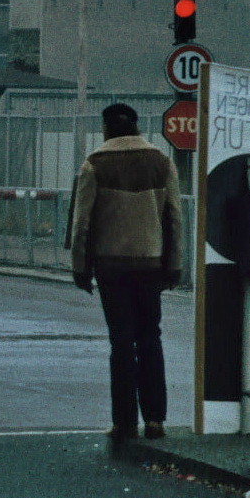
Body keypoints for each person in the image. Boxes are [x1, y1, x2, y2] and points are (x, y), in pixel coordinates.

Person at [70, 103, 184, 442]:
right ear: (136, 127)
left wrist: (80, 269)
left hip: (111, 267)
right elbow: (176, 217)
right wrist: (174, 266)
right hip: (150, 264)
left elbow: (81, 224)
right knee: (151, 337)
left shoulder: (94, 163)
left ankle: (124, 422)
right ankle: (155, 420)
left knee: (121, 342)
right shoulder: (162, 162)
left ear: (106, 128)